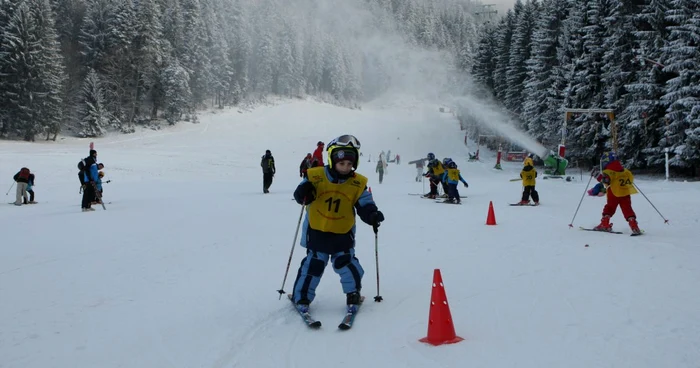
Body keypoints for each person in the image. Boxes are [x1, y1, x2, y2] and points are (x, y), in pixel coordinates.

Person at [291, 134, 384, 312]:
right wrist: (304, 192)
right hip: (317, 231)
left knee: (346, 264)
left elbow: (364, 203)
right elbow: (299, 195)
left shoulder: (357, 183)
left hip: (343, 233)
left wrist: (371, 214)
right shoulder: (315, 176)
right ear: (332, 160)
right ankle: (302, 296)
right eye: (342, 163)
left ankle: (353, 293)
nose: (345, 168)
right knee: (313, 266)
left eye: (349, 164)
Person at [592, 152, 641, 234]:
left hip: (613, 192)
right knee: (627, 208)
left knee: (610, 207)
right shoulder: (625, 171)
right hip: (625, 192)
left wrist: (597, 175)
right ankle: (633, 225)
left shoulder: (609, 171)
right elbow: (631, 179)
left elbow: (606, 180)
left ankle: (605, 223)